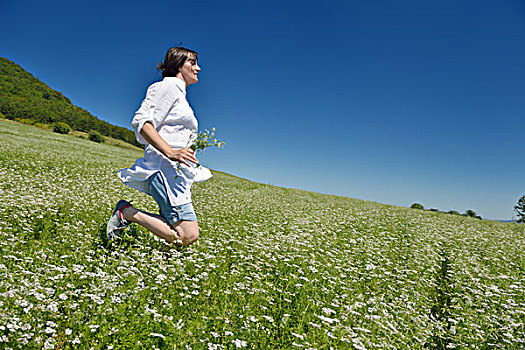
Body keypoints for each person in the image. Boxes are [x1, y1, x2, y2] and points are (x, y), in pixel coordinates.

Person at [106, 46, 210, 247]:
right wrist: (170, 152)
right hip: (165, 170)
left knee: (173, 233)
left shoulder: (180, 95)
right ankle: (126, 212)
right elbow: (142, 122)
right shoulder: (167, 87)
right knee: (188, 234)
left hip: (177, 173)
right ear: (178, 65)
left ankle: (163, 267)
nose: (198, 68)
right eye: (193, 63)